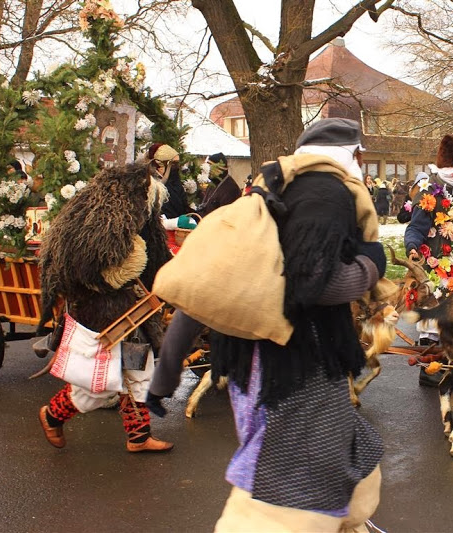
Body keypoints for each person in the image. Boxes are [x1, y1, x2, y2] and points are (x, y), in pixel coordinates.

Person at [150, 118, 386, 531]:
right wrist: (371, 265)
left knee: (336, 458)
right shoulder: (329, 193)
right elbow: (313, 283)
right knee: (286, 492)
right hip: (295, 367)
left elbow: (209, 289)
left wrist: (165, 376)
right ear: (354, 154)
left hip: (254, 361)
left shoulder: (270, 190)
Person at [37, 162, 173, 452]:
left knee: (140, 372)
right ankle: (52, 415)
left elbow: (157, 258)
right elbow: (84, 268)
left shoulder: (139, 221)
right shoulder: (94, 222)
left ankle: (138, 436)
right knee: (96, 386)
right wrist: (115, 277)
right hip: (101, 317)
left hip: (133, 316)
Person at [404, 134, 453, 378]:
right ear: (445, 168)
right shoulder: (429, 192)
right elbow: (415, 227)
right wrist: (413, 246)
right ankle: (430, 371)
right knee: (433, 318)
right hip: (435, 265)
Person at [197, 152, 241, 217]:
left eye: (210, 168)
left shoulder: (230, 189)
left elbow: (226, 216)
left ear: (218, 170)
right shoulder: (213, 183)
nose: (208, 172)